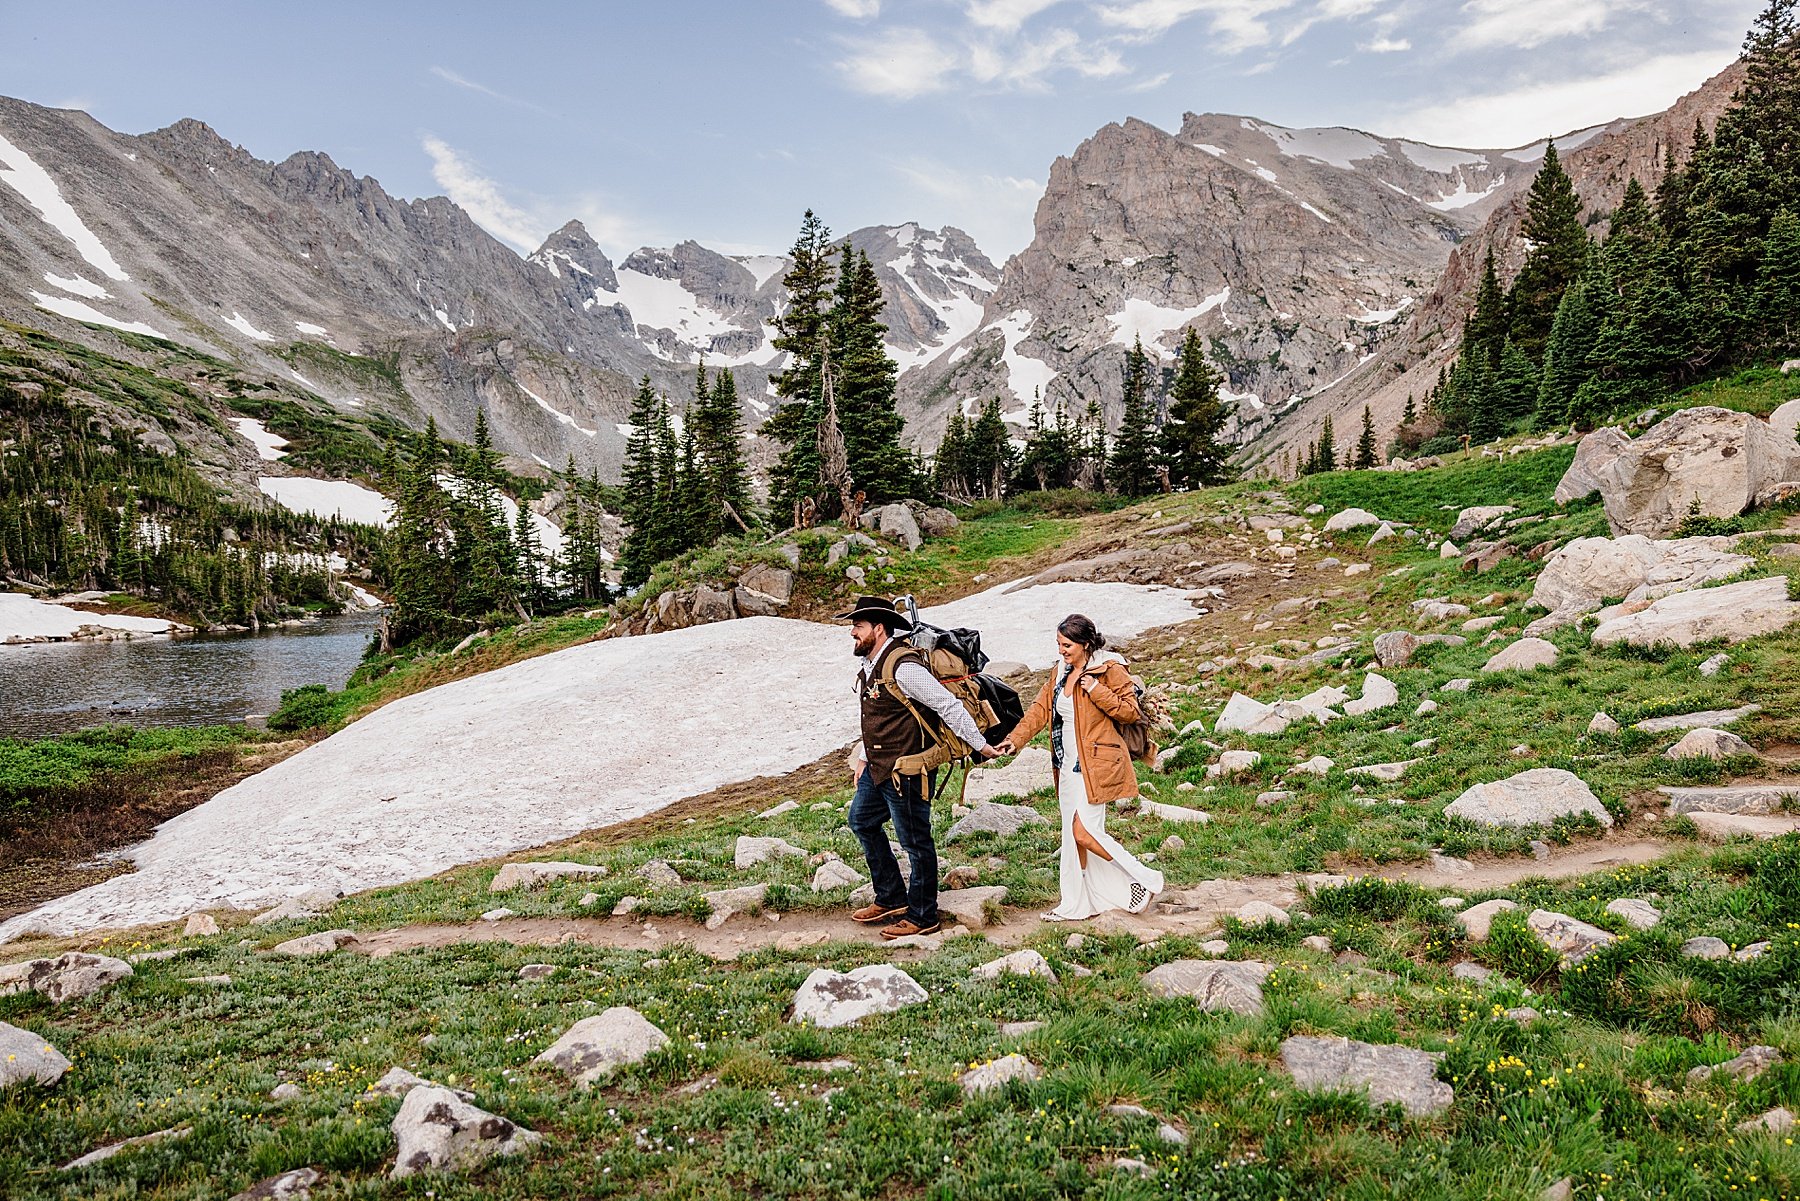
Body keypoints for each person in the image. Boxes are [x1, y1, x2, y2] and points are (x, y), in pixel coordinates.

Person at [842, 595, 1000, 940]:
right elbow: (879, 716)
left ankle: (923, 915)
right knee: (862, 821)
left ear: (878, 629)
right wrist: (866, 758)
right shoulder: (872, 665)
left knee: (915, 842)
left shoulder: (904, 667)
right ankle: (891, 897)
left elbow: (947, 704)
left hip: (908, 770)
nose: (853, 632)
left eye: (858, 626)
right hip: (879, 767)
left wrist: (979, 745)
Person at [996, 614, 1162, 920]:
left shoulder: (1110, 669)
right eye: (1059, 644)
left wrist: (1096, 689)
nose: (1061, 651)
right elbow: (1040, 710)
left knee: (1084, 833)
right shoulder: (1060, 671)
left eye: (1067, 645)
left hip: (1097, 763)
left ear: (1085, 645)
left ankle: (1146, 877)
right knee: (1071, 837)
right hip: (1067, 763)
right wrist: (1014, 740)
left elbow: (1129, 712)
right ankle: (1076, 904)